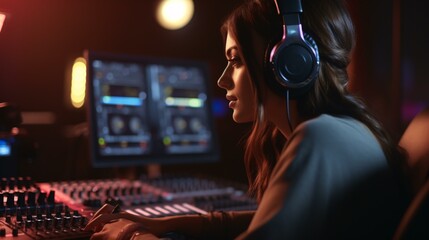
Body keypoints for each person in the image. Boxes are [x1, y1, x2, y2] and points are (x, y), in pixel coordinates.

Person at [84, 0, 410, 239]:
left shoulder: (319, 138)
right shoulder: (348, 129)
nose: (223, 80)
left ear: (289, 62)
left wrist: (133, 236)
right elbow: (264, 223)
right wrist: (168, 222)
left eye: (236, 61)